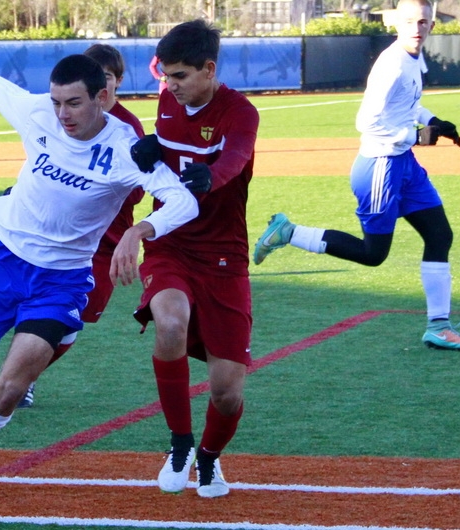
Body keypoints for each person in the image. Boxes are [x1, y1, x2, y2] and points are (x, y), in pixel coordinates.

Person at [0, 53, 198, 502]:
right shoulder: (38, 113)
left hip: (61, 281)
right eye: (56, 102)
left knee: (11, 387)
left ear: (102, 98)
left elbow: (185, 202)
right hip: (3, 262)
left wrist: (139, 229)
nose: (61, 114)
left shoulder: (127, 149)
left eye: (73, 103)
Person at [253, 0, 460, 352]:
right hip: (380, 167)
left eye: (424, 22)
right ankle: (289, 232)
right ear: (397, 23)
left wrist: (433, 120)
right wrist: (416, 136)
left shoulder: (412, 57)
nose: (417, 28)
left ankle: (439, 326)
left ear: (433, 25)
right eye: (410, 21)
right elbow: (366, 122)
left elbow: (407, 104)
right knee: (374, 254)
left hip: (403, 164)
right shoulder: (391, 65)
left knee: (440, 234)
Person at [128, 19, 259, 498]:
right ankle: (180, 443)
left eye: (180, 76)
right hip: (171, 242)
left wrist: (212, 177)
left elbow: (236, 157)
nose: (170, 86)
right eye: (166, 75)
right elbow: (164, 152)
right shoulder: (168, 101)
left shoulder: (240, 112)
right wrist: (151, 149)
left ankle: (208, 457)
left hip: (225, 256)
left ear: (208, 69)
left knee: (227, 392)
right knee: (170, 322)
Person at [16, 43, 147, 409]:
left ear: (115, 83)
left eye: (106, 77)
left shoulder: (127, 130)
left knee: (76, 321)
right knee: (42, 309)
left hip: (106, 242)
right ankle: (20, 375)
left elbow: (137, 190)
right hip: (58, 239)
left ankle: (26, 375)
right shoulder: (62, 117)